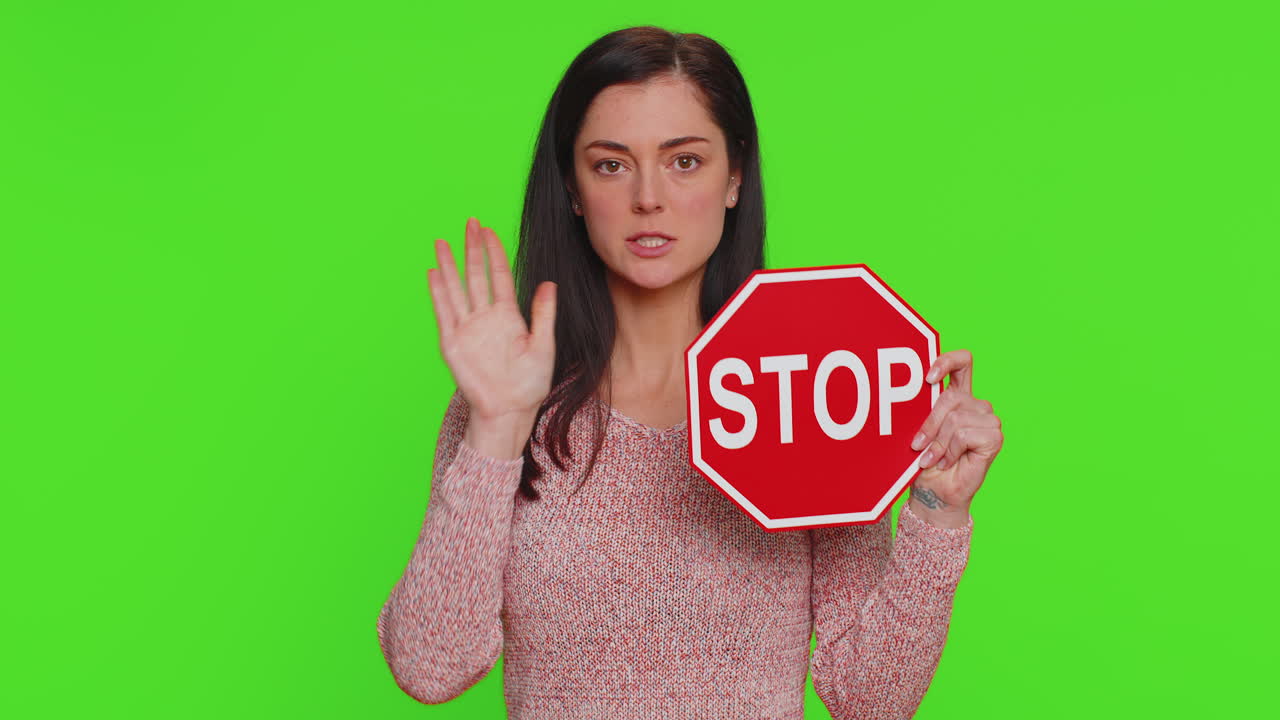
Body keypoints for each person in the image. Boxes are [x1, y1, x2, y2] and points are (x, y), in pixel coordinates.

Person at [377, 25, 1004, 720]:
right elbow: (430, 666)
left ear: (734, 177)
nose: (649, 197)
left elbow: (870, 699)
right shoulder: (511, 397)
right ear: (574, 190)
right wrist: (494, 430)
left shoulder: (805, 386)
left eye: (684, 161)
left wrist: (938, 508)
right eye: (611, 164)